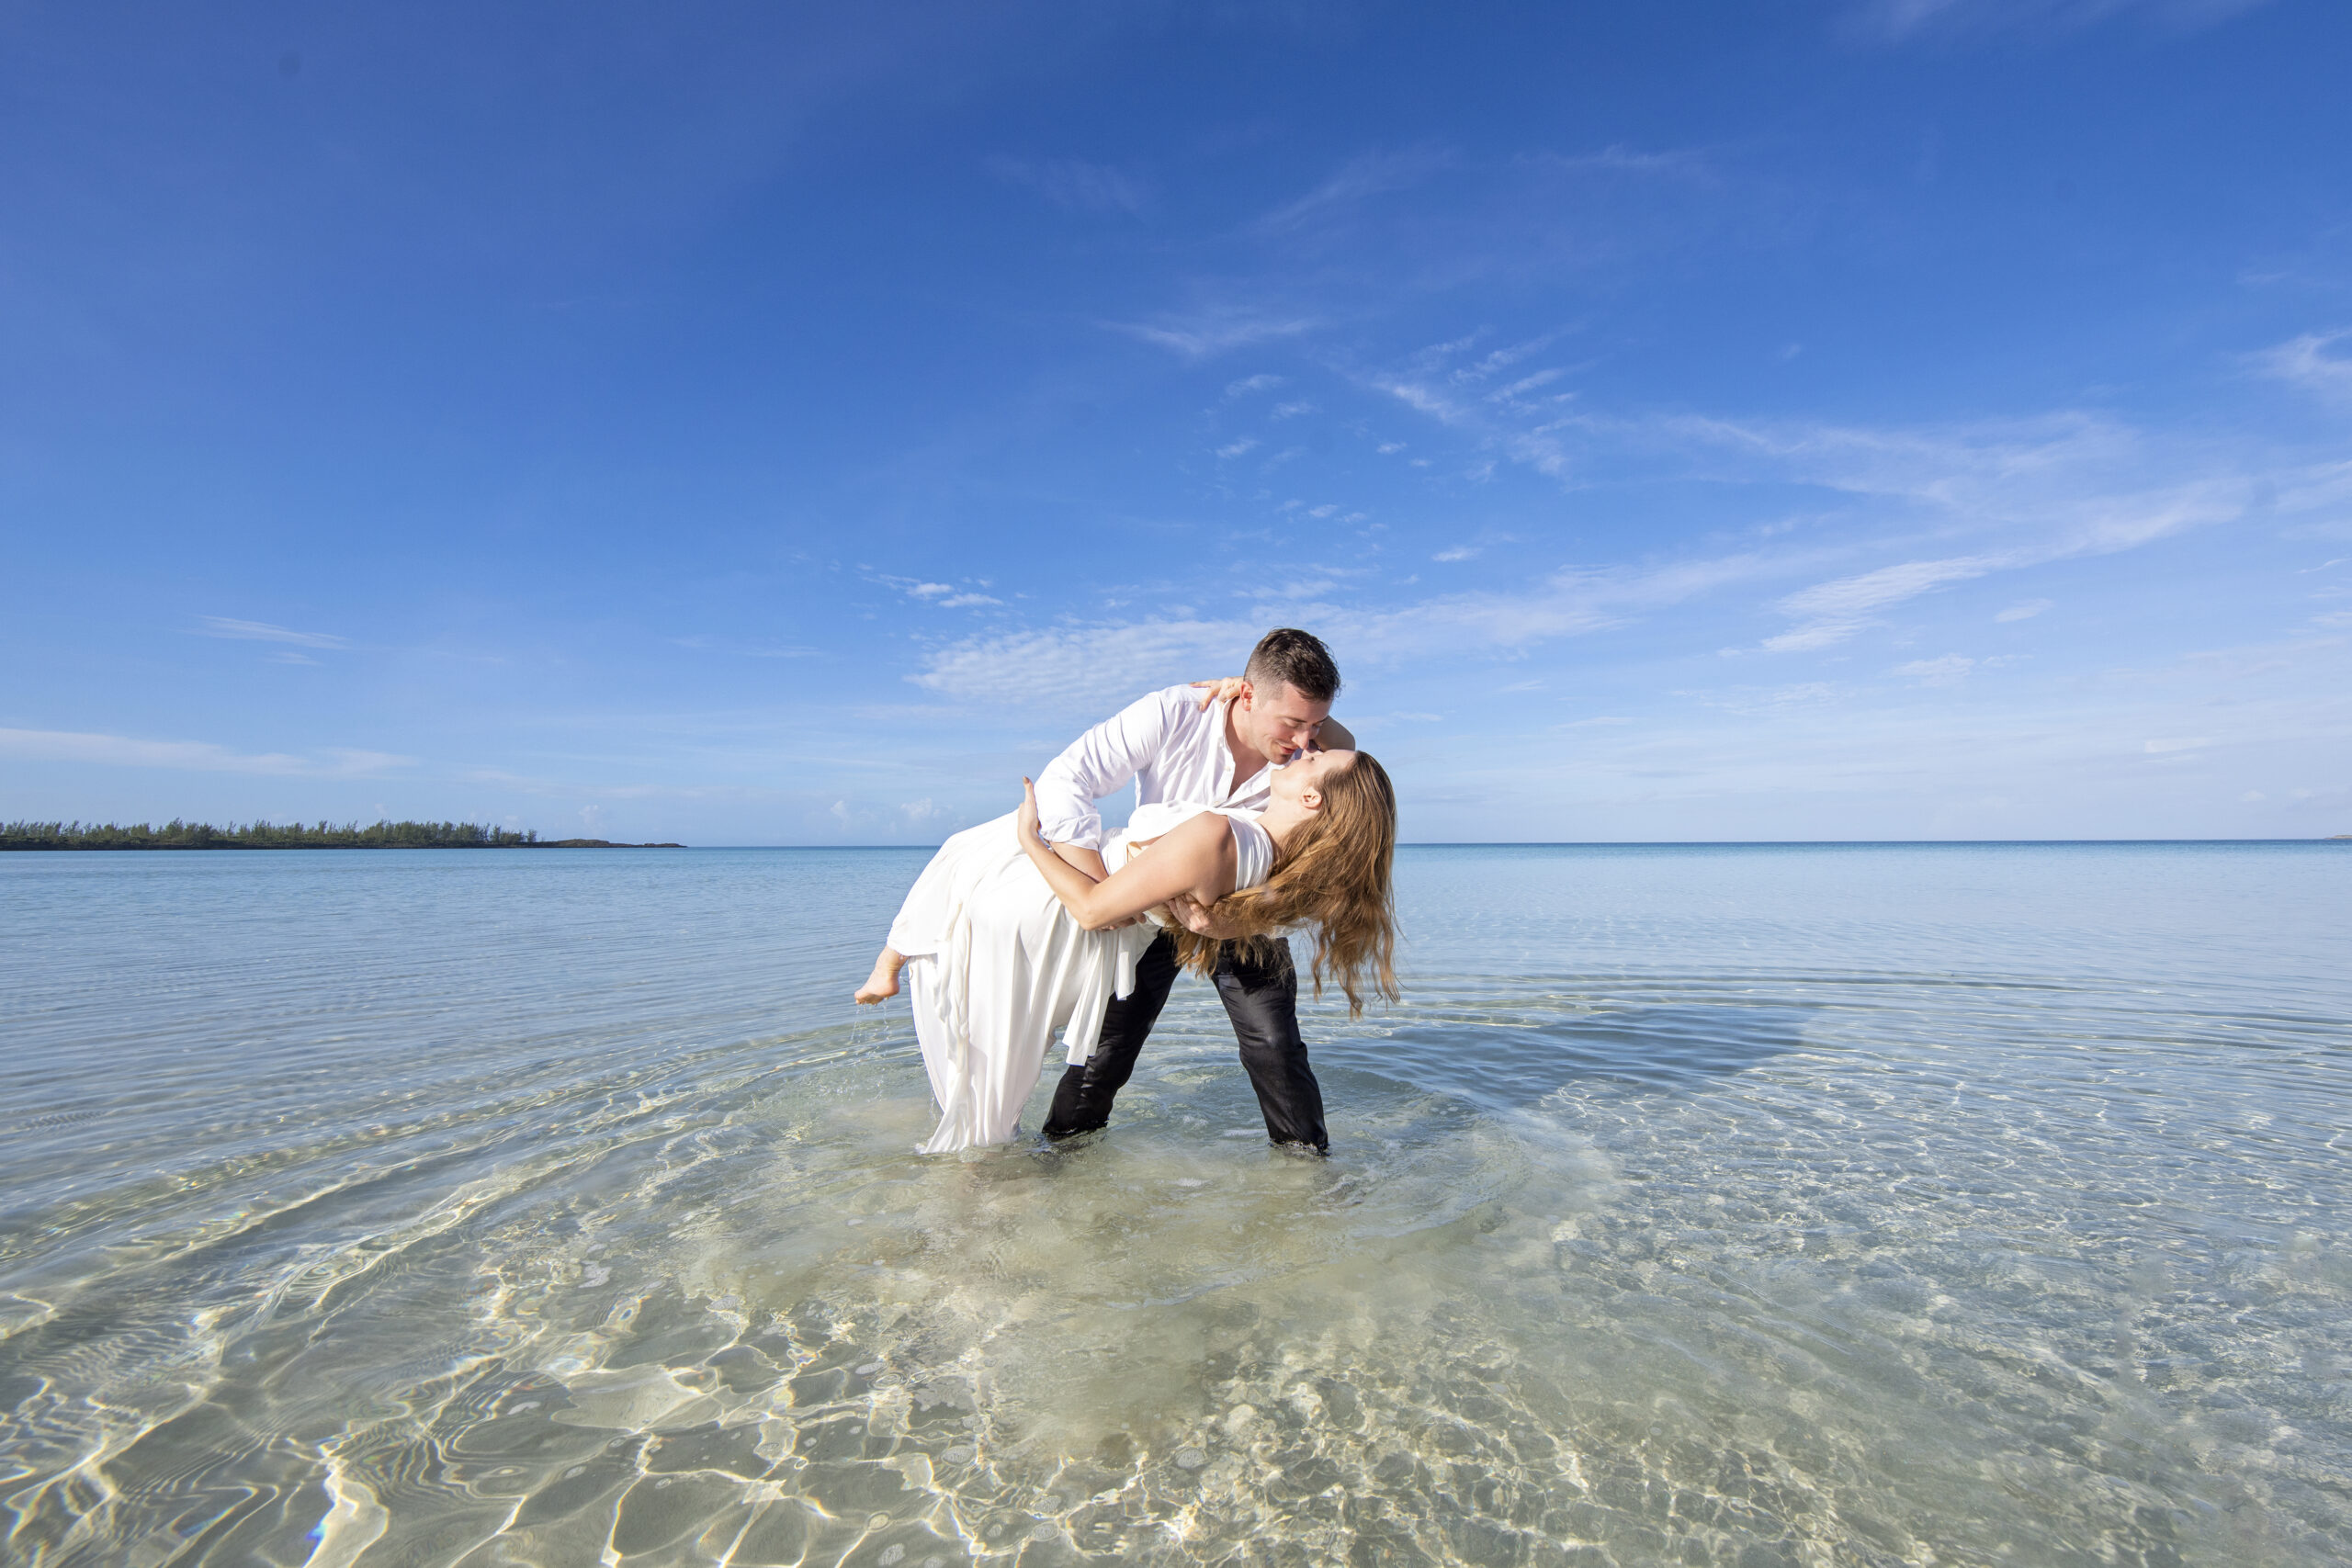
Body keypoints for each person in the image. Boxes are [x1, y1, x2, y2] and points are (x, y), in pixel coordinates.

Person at [854, 628, 1396, 1153]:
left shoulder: (1313, 753)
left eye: (1317, 725)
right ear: (1248, 697)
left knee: (1273, 1043)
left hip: (1243, 900)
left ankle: (1306, 1167)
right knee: (1107, 1049)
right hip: (1148, 899)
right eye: (1294, 723)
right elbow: (1069, 778)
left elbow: (1323, 855)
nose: (1306, 741)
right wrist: (1101, 886)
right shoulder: (1177, 712)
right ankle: (1063, 1155)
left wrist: (1234, 922)